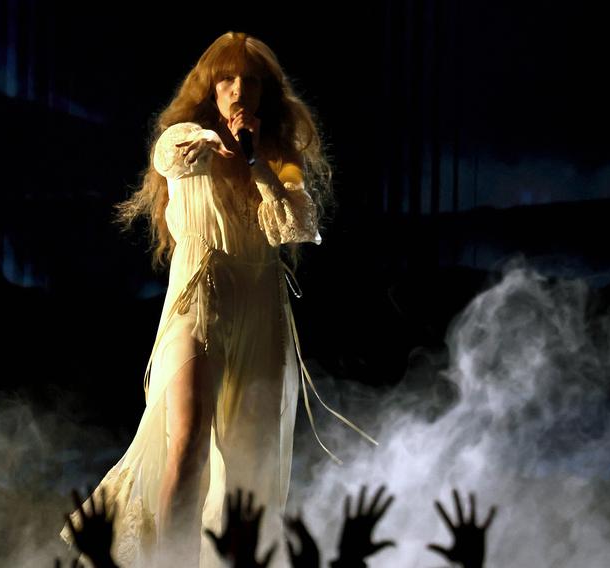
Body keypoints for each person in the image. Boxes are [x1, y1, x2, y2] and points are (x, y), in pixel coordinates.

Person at [62, 31, 378, 568]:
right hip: (198, 300)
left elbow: (295, 226)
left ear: (264, 94)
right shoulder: (186, 138)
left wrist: (256, 162)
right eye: (226, 79)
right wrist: (220, 143)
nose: (237, 90)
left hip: (259, 308)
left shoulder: (281, 160)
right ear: (209, 88)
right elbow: (170, 158)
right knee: (185, 444)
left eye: (249, 82)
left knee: (246, 465)